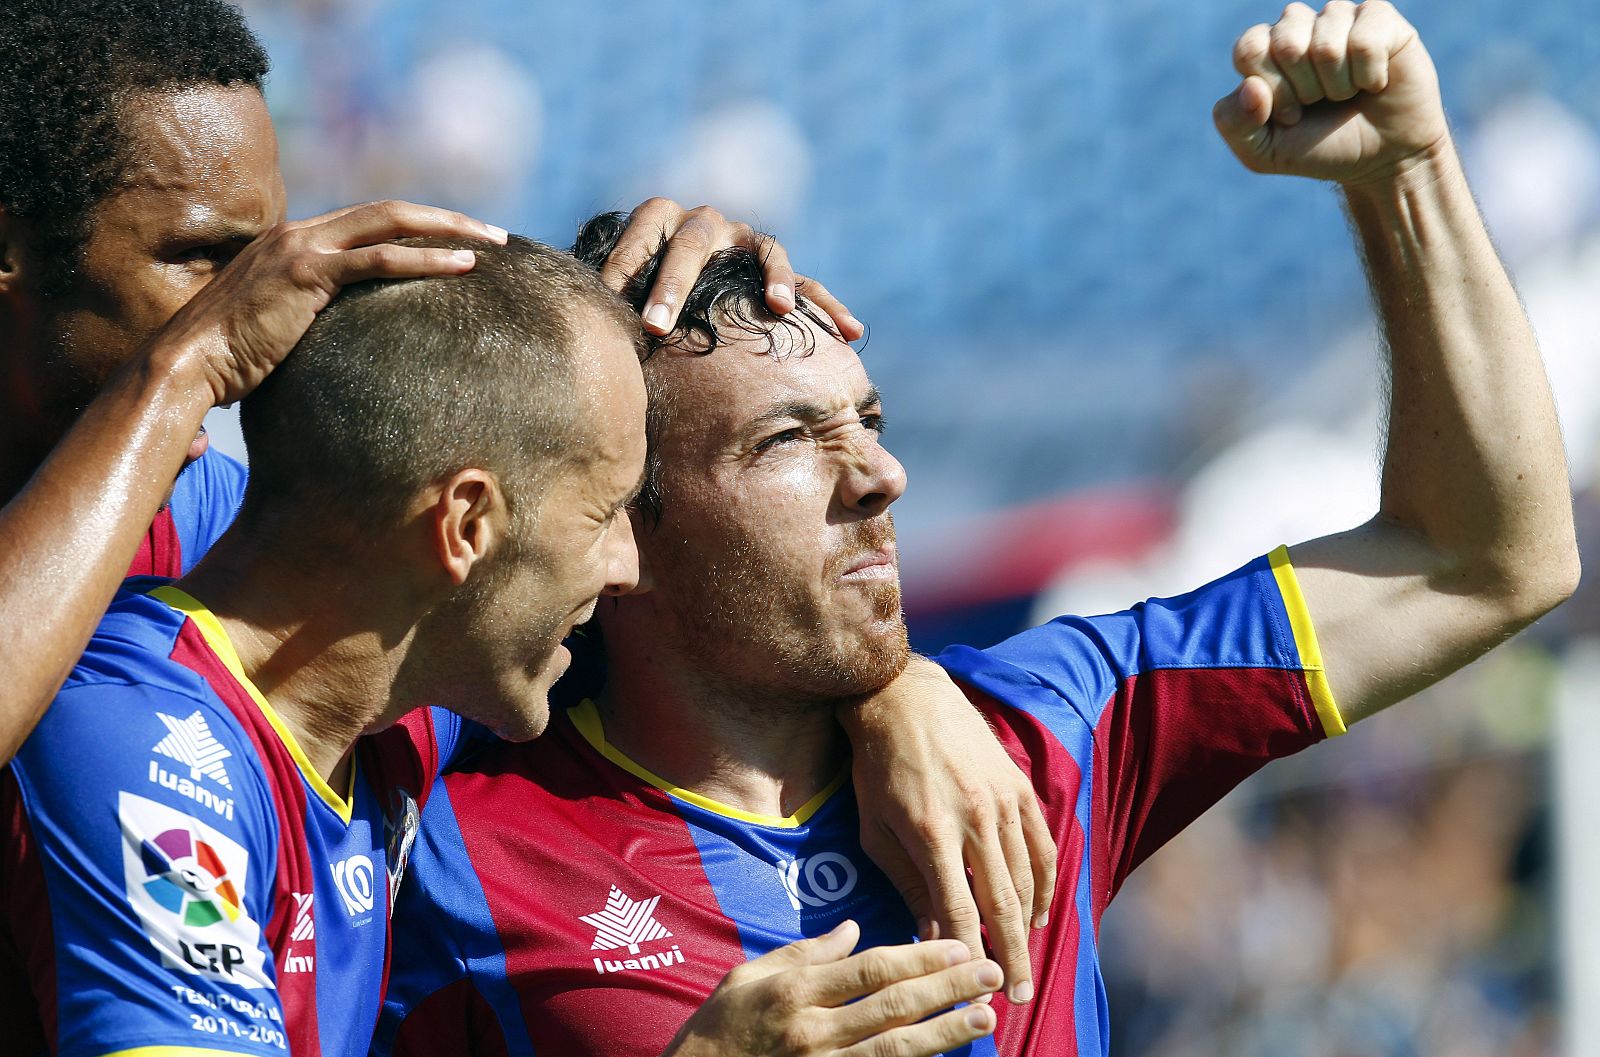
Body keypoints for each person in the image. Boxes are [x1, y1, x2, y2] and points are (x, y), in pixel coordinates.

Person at [376, 4, 1580, 1056]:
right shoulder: (434, 842)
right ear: (620, 526)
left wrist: (1404, 178)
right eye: (788, 441)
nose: (882, 475)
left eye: (872, 419)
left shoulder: (1043, 732)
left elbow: (1483, 559)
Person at [0, 0, 1054, 997]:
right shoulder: (174, 467)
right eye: (199, 259)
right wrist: (187, 365)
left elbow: (561, 611)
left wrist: (891, 686)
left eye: (265, 252)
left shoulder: (212, 526)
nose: (265, 307)